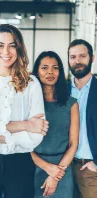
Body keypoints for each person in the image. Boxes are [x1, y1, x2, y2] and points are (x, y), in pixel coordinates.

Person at [0, 24, 48, 198]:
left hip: (20, 162)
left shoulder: (32, 83)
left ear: (19, 48)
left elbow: (35, 137)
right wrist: (25, 125)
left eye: (12, 45)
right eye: (0, 45)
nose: (6, 51)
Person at [32, 51, 79, 197]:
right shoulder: (29, 104)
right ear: (37, 72)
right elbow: (21, 144)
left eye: (55, 68)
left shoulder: (71, 104)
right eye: (44, 68)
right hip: (33, 166)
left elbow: (73, 144)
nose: (50, 72)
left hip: (62, 169)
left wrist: (55, 174)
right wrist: (47, 167)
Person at [67, 39, 97, 198]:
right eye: (72, 57)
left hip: (90, 169)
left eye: (82, 56)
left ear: (91, 58)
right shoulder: (63, 91)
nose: (77, 61)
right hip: (64, 168)